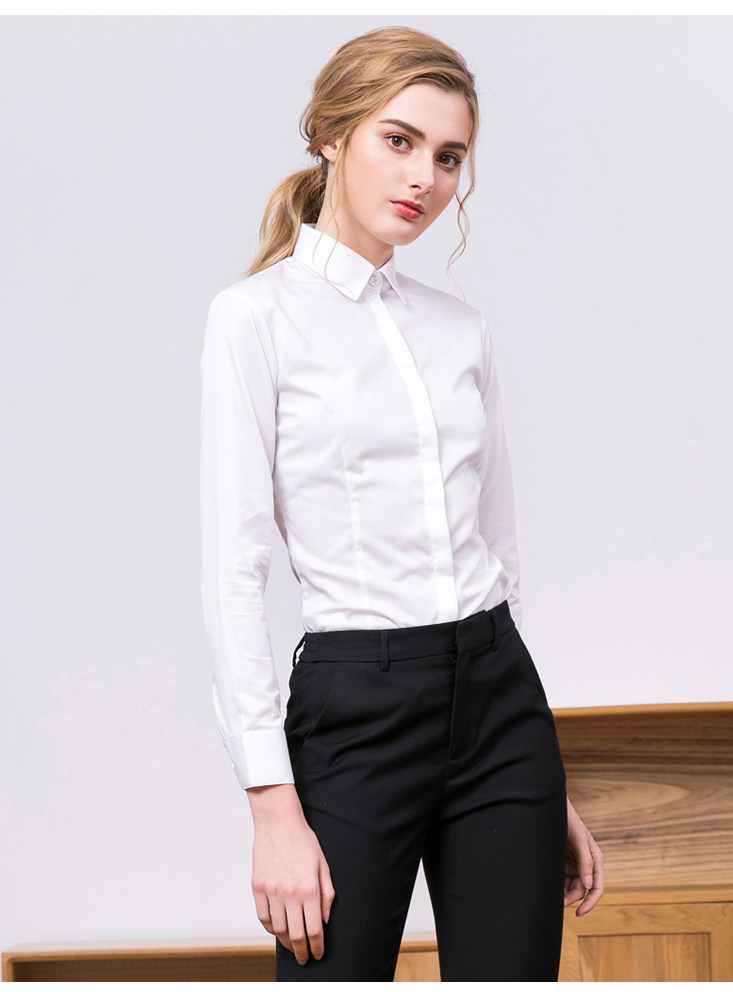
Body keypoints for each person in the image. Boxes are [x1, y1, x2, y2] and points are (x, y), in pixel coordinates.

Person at [201, 25, 603, 982]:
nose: (425, 176)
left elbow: (494, 552)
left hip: (500, 705)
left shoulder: (460, 331)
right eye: (399, 140)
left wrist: (542, 780)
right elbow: (233, 573)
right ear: (331, 135)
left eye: (449, 156)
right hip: (358, 712)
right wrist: (271, 805)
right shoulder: (254, 321)